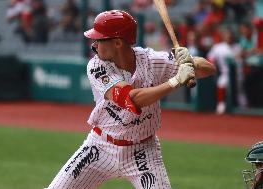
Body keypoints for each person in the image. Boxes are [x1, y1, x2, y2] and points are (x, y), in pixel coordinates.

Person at [45, 10, 216, 189]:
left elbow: (209, 69)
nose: (94, 45)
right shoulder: (97, 66)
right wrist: (175, 81)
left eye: (99, 39)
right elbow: (131, 100)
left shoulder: (152, 60)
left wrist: (190, 61)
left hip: (143, 151)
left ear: (118, 42)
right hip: (100, 146)